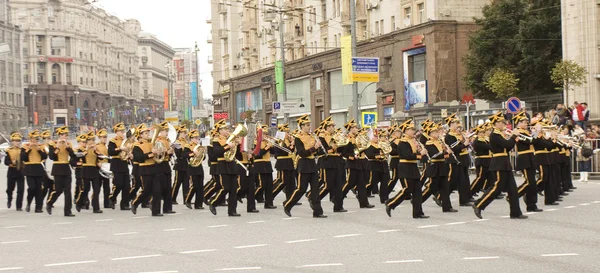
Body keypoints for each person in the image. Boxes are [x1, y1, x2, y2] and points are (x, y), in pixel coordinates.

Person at [473, 112, 527, 219]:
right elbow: (507, 144)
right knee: (497, 188)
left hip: (505, 162)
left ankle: (515, 212)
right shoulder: (494, 135)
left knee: (513, 190)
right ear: (496, 124)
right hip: (498, 163)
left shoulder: (500, 134)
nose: (504, 124)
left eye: (504, 122)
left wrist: (513, 138)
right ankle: (478, 204)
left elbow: (508, 147)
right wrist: (514, 136)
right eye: (502, 122)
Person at [283, 114, 326, 218]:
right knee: (301, 188)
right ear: (301, 126)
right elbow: (302, 153)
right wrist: (314, 148)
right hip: (303, 164)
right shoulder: (298, 138)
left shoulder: (312, 136)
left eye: (309, 124)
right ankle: (288, 205)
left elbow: (315, 152)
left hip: (312, 164)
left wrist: (320, 149)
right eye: (306, 125)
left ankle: (317, 212)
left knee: (315, 189)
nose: (309, 126)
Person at [385, 119, 428, 218]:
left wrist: (422, 152)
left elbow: (417, 155)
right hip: (405, 167)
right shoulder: (402, 142)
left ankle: (418, 212)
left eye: (413, 129)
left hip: (413, 167)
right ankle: (390, 204)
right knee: (407, 189)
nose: (413, 131)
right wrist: (419, 154)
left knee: (417, 191)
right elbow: (406, 155)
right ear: (405, 130)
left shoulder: (413, 141)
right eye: (411, 129)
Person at [208, 119, 241, 217]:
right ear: (219, 130)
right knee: (225, 187)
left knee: (234, 189)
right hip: (222, 165)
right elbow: (216, 152)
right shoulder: (216, 139)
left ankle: (232, 211)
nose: (227, 130)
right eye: (224, 129)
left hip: (232, 164)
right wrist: (227, 146)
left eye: (227, 128)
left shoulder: (230, 139)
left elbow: (237, 154)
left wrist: (238, 145)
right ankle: (213, 202)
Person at [512, 111, 542, 212]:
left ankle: (531, 205)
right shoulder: (518, 132)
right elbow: (530, 141)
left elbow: (535, 141)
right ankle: (513, 196)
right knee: (529, 182)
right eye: (524, 122)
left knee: (532, 183)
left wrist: (537, 133)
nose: (526, 124)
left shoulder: (525, 132)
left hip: (530, 157)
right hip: (524, 158)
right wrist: (537, 132)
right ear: (518, 123)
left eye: (526, 122)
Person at [340, 119, 374, 209]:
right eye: (354, 127)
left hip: (359, 163)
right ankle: (338, 199)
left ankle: (364, 203)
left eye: (356, 127)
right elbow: (343, 152)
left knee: (361, 184)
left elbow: (364, 149)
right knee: (349, 184)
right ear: (350, 129)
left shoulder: (358, 137)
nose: (356, 129)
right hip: (351, 163)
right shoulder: (347, 139)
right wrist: (352, 156)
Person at [422, 122, 456, 212]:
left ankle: (447, 207)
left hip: (442, 166)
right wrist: (446, 153)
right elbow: (435, 155)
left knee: (445, 187)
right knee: (432, 187)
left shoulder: (440, 141)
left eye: (437, 132)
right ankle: (418, 200)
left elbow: (444, 154)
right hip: (434, 166)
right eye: (435, 132)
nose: (438, 133)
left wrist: (446, 150)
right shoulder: (429, 143)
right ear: (431, 134)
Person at [131, 124, 163, 216]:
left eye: (148, 132)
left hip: (154, 168)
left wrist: (160, 152)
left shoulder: (152, 143)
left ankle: (156, 211)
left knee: (157, 191)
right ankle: (135, 203)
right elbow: (138, 158)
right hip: (144, 169)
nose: (148, 134)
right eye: (146, 133)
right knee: (146, 190)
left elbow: (158, 156)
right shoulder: (137, 145)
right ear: (140, 135)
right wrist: (151, 154)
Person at [46, 126, 77, 216]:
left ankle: (68, 211)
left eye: (66, 135)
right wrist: (58, 147)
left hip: (66, 168)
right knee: (58, 190)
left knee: (68, 191)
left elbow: (73, 156)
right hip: (57, 168)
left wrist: (68, 148)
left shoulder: (69, 144)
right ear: (59, 135)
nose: (64, 136)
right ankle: (50, 202)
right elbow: (51, 157)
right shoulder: (53, 143)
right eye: (63, 134)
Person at [444, 113, 472, 206]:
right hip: (455, 159)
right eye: (456, 123)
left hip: (463, 158)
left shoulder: (459, 134)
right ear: (451, 124)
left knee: (464, 180)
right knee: (453, 181)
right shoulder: (449, 136)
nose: (458, 125)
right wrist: (464, 144)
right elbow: (453, 149)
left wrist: (467, 141)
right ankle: (441, 196)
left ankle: (465, 199)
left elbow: (462, 146)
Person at [76, 131, 103, 213]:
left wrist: (96, 151)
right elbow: (78, 156)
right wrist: (87, 149)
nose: (92, 142)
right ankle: (79, 202)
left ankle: (96, 208)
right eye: (90, 140)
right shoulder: (82, 149)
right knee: (85, 189)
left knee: (96, 189)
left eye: (93, 139)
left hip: (94, 170)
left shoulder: (95, 148)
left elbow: (101, 157)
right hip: (85, 169)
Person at [21, 130, 47, 213]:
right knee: (32, 187)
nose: (35, 140)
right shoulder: (25, 146)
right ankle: (29, 202)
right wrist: (29, 148)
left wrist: (39, 149)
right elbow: (23, 157)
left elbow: (45, 157)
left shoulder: (41, 146)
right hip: (29, 169)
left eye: (36, 138)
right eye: (33, 138)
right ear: (30, 139)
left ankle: (38, 207)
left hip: (38, 168)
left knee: (39, 189)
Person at [108, 122, 132, 210]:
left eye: (123, 131)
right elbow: (110, 152)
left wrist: (129, 154)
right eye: (120, 131)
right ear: (116, 132)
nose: (122, 133)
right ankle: (112, 197)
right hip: (116, 164)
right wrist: (120, 148)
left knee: (126, 185)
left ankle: (124, 204)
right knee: (118, 184)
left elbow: (129, 150)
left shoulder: (125, 141)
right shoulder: (112, 141)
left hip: (124, 163)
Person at [253, 125, 276, 209]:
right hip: (259, 165)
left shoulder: (267, 142)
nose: (265, 135)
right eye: (263, 134)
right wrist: (267, 147)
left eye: (266, 134)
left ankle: (269, 203)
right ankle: (252, 196)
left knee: (269, 186)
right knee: (261, 185)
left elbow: (274, 152)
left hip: (267, 164)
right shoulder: (255, 142)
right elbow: (258, 154)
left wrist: (272, 145)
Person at [156, 122, 176, 214]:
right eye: (165, 131)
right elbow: (158, 154)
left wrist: (171, 151)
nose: (166, 133)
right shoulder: (157, 140)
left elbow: (168, 154)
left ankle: (168, 208)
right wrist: (166, 151)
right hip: (159, 165)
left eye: (167, 131)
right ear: (160, 132)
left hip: (166, 164)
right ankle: (154, 204)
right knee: (162, 187)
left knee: (168, 187)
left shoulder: (167, 141)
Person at [468, 123, 492, 199]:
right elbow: (489, 147)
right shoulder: (477, 141)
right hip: (482, 160)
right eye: (480, 132)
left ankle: (490, 191)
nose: (482, 134)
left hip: (487, 160)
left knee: (491, 177)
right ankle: (470, 192)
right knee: (480, 178)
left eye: (483, 132)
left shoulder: (484, 140)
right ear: (477, 133)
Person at [272, 124, 296, 200]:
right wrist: (292, 144)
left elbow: (292, 151)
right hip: (282, 163)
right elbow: (282, 151)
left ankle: (290, 198)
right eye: (286, 132)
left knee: (291, 182)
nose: (288, 134)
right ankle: (271, 194)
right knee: (282, 181)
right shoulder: (279, 140)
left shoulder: (288, 140)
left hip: (289, 162)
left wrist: (292, 143)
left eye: (288, 132)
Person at [184, 129, 205, 210]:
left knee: (200, 186)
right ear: (191, 139)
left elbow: (203, 158)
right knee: (194, 185)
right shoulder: (188, 146)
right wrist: (193, 153)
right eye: (195, 138)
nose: (197, 140)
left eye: (198, 138)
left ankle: (198, 204)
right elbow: (185, 155)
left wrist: (201, 154)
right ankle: (188, 199)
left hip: (199, 167)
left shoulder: (200, 147)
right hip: (192, 167)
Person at [4, 132, 25, 211]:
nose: (17, 142)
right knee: (10, 189)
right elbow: (6, 162)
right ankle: (9, 198)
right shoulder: (8, 150)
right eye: (15, 140)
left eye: (18, 140)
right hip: (12, 171)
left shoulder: (23, 150)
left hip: (20, 171)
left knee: (20, 190)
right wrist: (11, 162)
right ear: (12, 141)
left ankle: (19, 206)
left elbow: (26, 159)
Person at [172, 125, 190, 205]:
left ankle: (186, 199)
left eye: (185, 133)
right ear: (179, 133)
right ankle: (172, 198)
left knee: (186, 182)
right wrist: (188, 154)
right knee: (177, 182)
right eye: (183, 133)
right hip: (179, 164)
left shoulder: (186, 142)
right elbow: (179, 154)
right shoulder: (177, 142)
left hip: (186, 164)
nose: (184, 134)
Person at [96, 129, 111, 209]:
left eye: (105, 137)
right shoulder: (97, 146)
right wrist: (97, 163)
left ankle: (107, 203)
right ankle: (94, 202)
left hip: (106, 168)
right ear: (99, 137)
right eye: (103, 137)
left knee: (107, 187)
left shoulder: (107, 146)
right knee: (97, 187)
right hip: (99, 168)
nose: (105, 138)